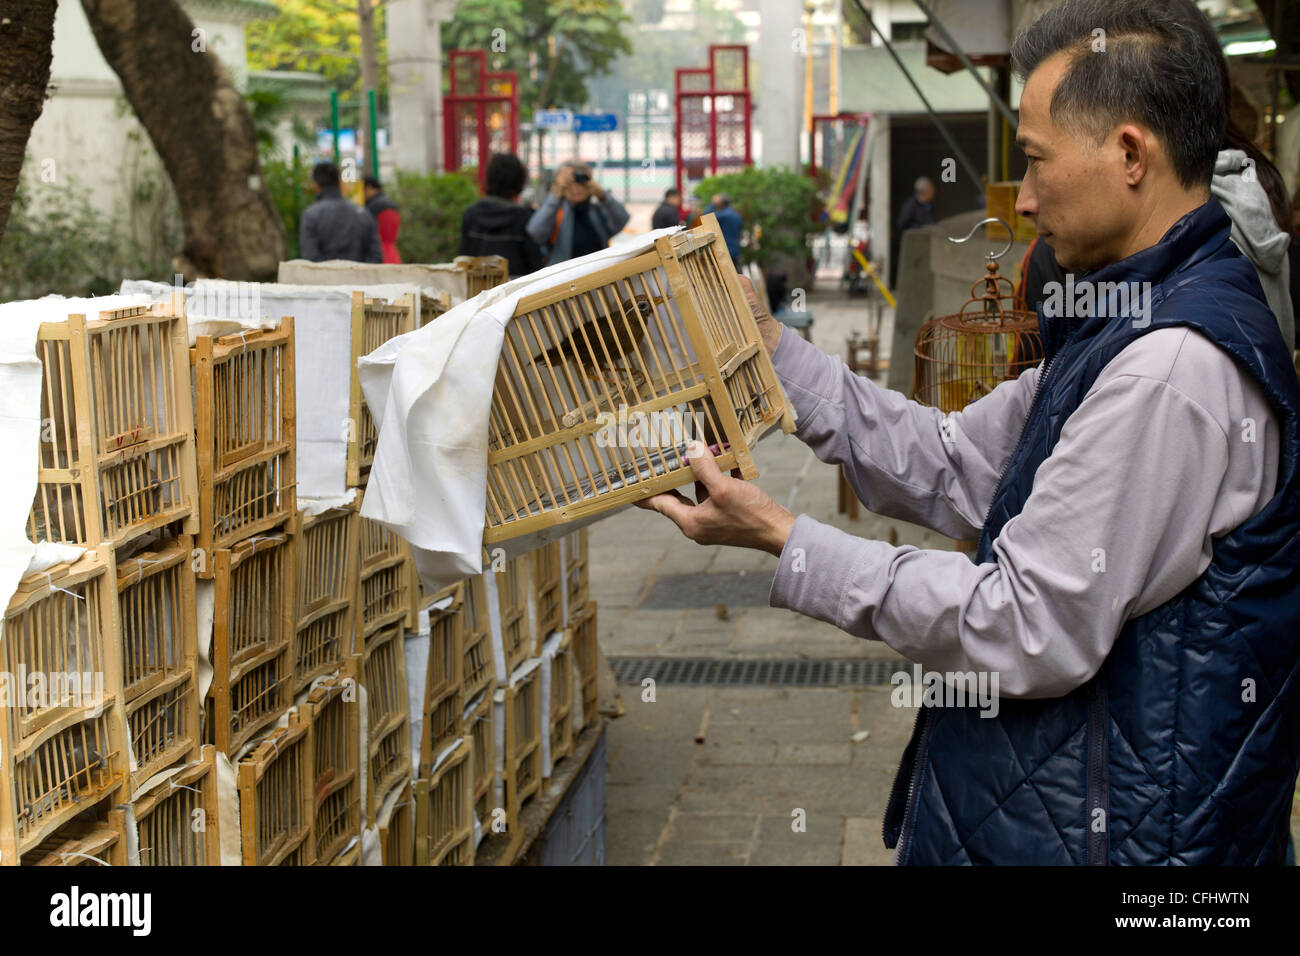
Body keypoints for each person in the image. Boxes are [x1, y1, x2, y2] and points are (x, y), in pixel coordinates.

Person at [642, 0, 1300, 865]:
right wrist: (770, 352)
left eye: (1034, 162)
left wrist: (782, 537)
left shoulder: (1167, 369)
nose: (1022, 200)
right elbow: (955, 461)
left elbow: (1026, 625)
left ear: (1130, 154)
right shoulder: (1122, 319)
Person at [527, 162, 629, 265]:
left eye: (581, 182)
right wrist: (556, 194)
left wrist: (602, 195)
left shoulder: (597, 211)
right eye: (570, 183)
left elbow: (622, 220)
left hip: (599, 274)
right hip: (564, 277)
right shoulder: (555, 212)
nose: (576, 187)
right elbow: (535, 232)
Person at [460, 153, 544, 278]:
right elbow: (535, 266)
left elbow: (463, 259)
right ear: (519, 181)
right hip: (516, 292)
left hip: (478, 291)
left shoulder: (471, 214)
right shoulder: (524, 218)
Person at [299, 162, 382, 263]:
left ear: (315, 185)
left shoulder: (311, 215)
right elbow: (375, 256)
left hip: (324, 278)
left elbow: (310, 257)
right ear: (340, 183)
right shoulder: (362, 212)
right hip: (359, 277)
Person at [892, 177, 937, 286]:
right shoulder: (910, 206)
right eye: (931, 188)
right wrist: (921, 229)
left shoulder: (928, 206)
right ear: (925, 191)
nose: (934, 191)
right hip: (915, 247)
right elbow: (902, 226)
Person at [363, 175, 402, 264]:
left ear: (369, 188)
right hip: (393, 255)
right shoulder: (391, 204)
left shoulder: (371, 207)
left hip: (379, 255)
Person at [701, 193, 743, 269]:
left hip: (723, 250)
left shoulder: (722, 215)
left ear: (721, 203)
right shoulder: (736, 215)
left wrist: (712, 204)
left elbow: (705, 217)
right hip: (735, 250)